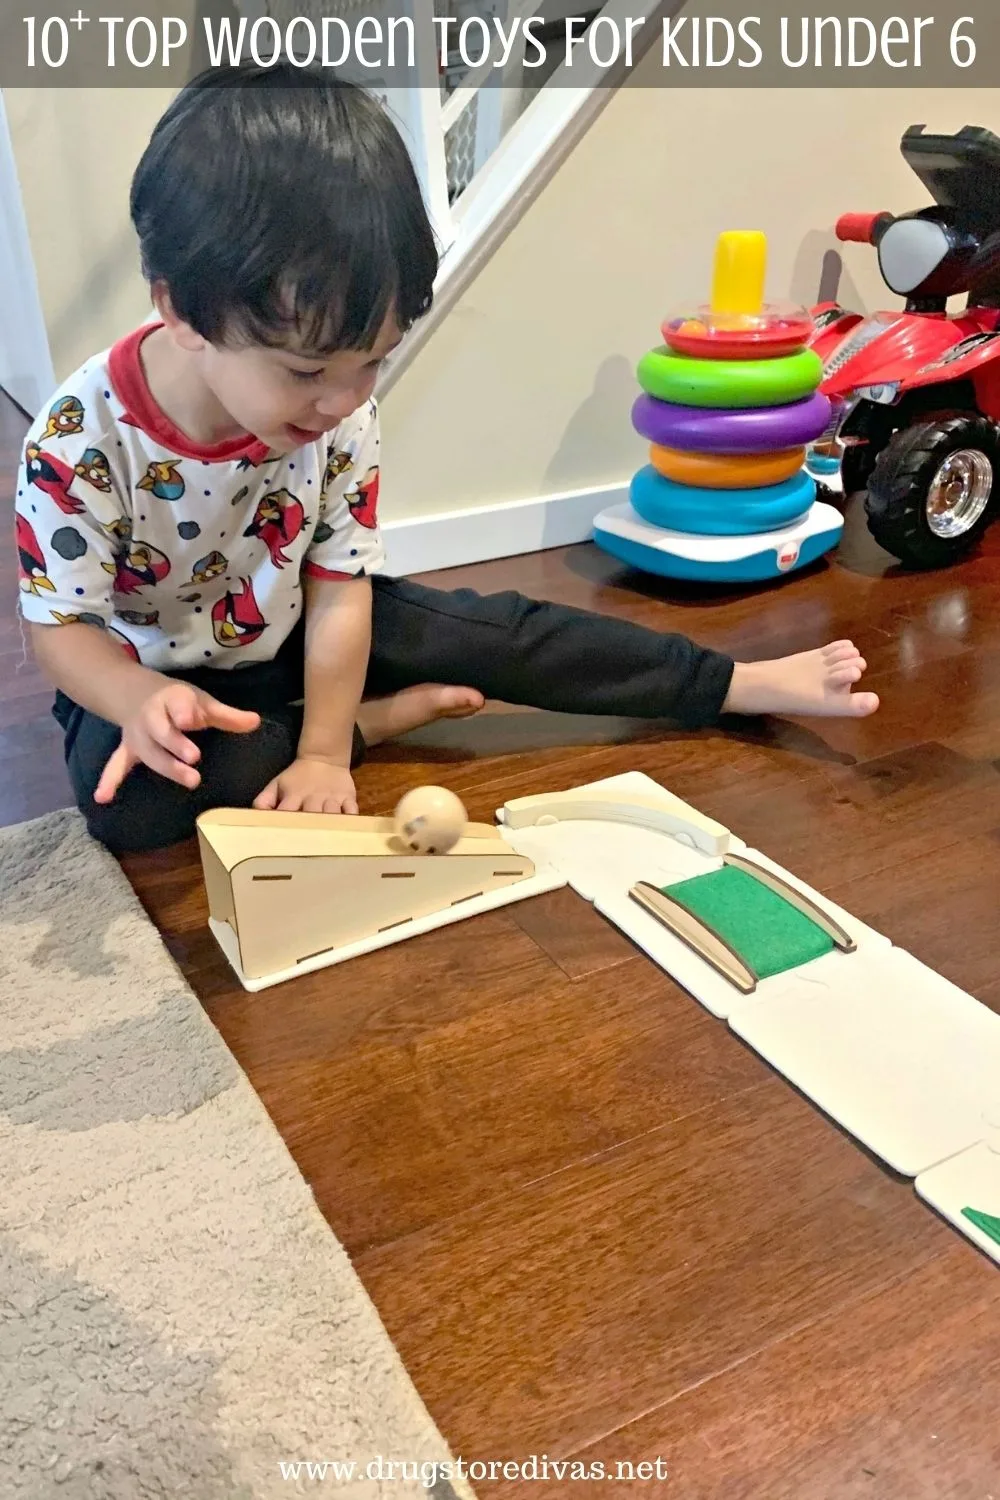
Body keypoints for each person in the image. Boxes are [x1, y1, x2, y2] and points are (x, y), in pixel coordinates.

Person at [13, 61, 878, 856]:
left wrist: (319, 757)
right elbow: (61, 627)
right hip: (149, 670)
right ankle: (373, 722)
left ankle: (732, 684)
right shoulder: (78, 439)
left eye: (374, 361)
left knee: (504, 635)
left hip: (305, 624)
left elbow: (341, 586)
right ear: (182, 313)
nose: (345, 401)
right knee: (130, 806)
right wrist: (135, 704)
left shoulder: (336, 408)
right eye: (308, 370)